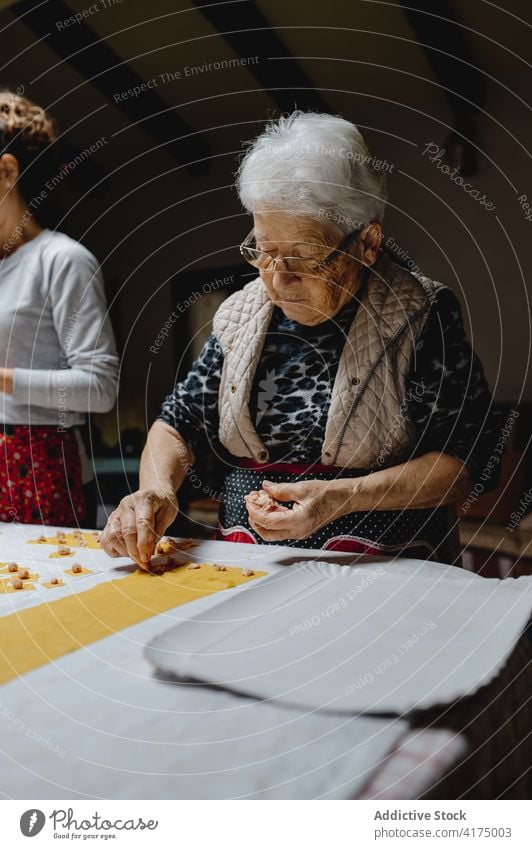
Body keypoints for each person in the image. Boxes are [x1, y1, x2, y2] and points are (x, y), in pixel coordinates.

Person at [101, 111, 500, 566]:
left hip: (385, 569)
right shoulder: (241, 313)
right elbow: (179, 420)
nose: (278, 279)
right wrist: (156, 490)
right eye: (264, 250)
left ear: (367, 242)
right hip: (251, 564)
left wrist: (340, 499)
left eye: (306, 257)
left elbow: (463, 461)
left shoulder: (419, 314)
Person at [0, 90, 118, 527]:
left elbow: (99, 388)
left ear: (7, 171)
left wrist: (4, 379)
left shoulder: (62, 259)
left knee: (46, 592)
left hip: (39, 467)